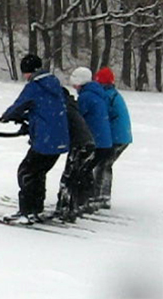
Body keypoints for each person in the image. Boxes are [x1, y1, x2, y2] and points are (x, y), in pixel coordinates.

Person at [1, 54, 69, 225]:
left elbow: (19, 105)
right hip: (59, 139)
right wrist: (29, 121)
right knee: (38, 173)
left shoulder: (35, 86)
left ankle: (26, 211)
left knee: (26, 172)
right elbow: (44, 110)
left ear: (28, 72)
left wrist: (8, 116)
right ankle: (35, 209)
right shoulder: (55, 85)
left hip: (45, 140)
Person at [69, 67, 113, 214]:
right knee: (86, 170)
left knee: (81, 171)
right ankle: (86, 200)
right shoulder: (98, 94)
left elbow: (77, 116)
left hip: (95, 142)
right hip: (104, 142)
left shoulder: (86, 97)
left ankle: (79, 201)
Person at [93, 67, 133, 209]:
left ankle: (101, 196)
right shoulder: (113, 94)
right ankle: (102, 195)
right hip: (123, 136)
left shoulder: (107, 96)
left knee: (103, 165)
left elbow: (103, 115)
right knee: (105, 164)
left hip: (117, 138)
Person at [55, 87, 95, 222]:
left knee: (69, 176)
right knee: (77, 176)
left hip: (79, 145)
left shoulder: (64, 108)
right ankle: (77, 205)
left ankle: (65, 208)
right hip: (88, 143)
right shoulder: (71, 106)